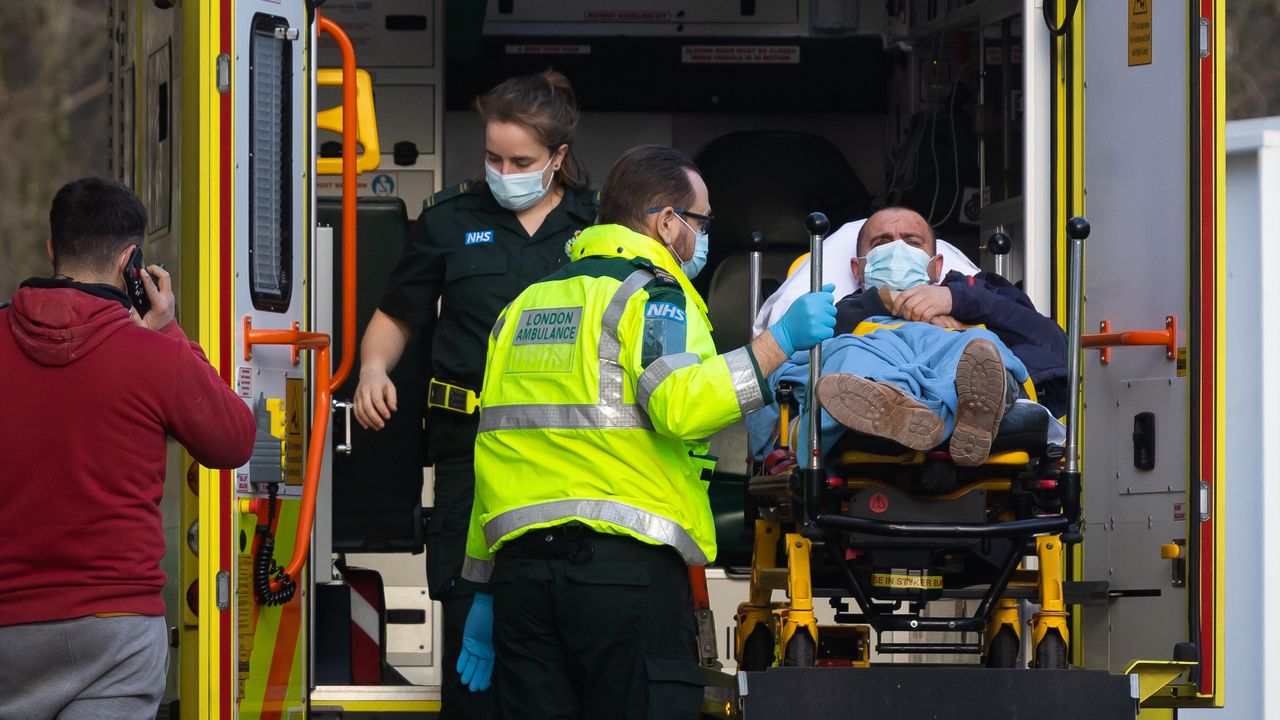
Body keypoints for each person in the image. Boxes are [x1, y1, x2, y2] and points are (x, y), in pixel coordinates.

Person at [454, 144, 837, 719]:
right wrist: (778, 341)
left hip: (522, 583)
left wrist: (483, 588)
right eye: (700, 221)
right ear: (665, 222)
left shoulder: (525, 305)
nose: (702, 236)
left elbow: (496, 448)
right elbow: (680, 406)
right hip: (621, 578)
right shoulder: (655, 297)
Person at [350, 70, 595, 718]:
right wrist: (373, 370)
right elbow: (397, 315)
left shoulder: (596, 227)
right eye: (493, 157)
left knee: (563, 640)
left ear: (559, 158)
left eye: (521, 161)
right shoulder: (450, 220)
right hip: (471, 458)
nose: (504, 171)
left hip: (573, 462)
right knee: (471, 645)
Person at [0, 177, 256, 719]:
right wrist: (169, 333)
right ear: (131, 261)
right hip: (115, 634)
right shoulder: (153, 356)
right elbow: (234, 439)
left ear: (52, 248)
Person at [771, 206, 1066, 465]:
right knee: (849, 353)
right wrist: (881, 304)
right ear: (857, 269)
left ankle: (934, 413)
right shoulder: (831, 313)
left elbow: (1055, 346)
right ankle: (909, 406)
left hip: (957, 365)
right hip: (879, 363)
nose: (897, 250)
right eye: (881, 242)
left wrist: (957, 300)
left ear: (936, 266)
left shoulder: (977, 295)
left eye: (912, 242)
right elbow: (786, 360)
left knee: (980, 348)